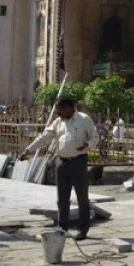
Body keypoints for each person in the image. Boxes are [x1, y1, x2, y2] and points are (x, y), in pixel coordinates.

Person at [19, 96, 98, 241]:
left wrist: (87, 145)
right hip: (61, 163)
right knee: (62, 198)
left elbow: (94, 137)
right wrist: (28, 150)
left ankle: (83, 229)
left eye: (59, 110)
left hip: (78, 162)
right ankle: (62, 227)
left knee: (82, 197)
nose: (57, 113)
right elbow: (44, 137)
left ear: (68, 108)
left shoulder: (84, 119)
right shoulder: (58, 122)